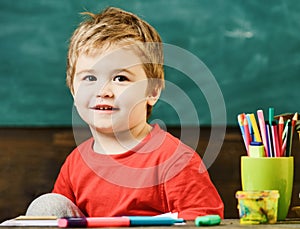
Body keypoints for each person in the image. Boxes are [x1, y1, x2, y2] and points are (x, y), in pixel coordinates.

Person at [26, 7, 224, 220]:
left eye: (120, 78)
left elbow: (205, 220)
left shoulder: (176, 161)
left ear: (153, 91)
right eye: (89, 78)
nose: (103, 92)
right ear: (73, 90)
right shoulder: (75, 163)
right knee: (47, 207)